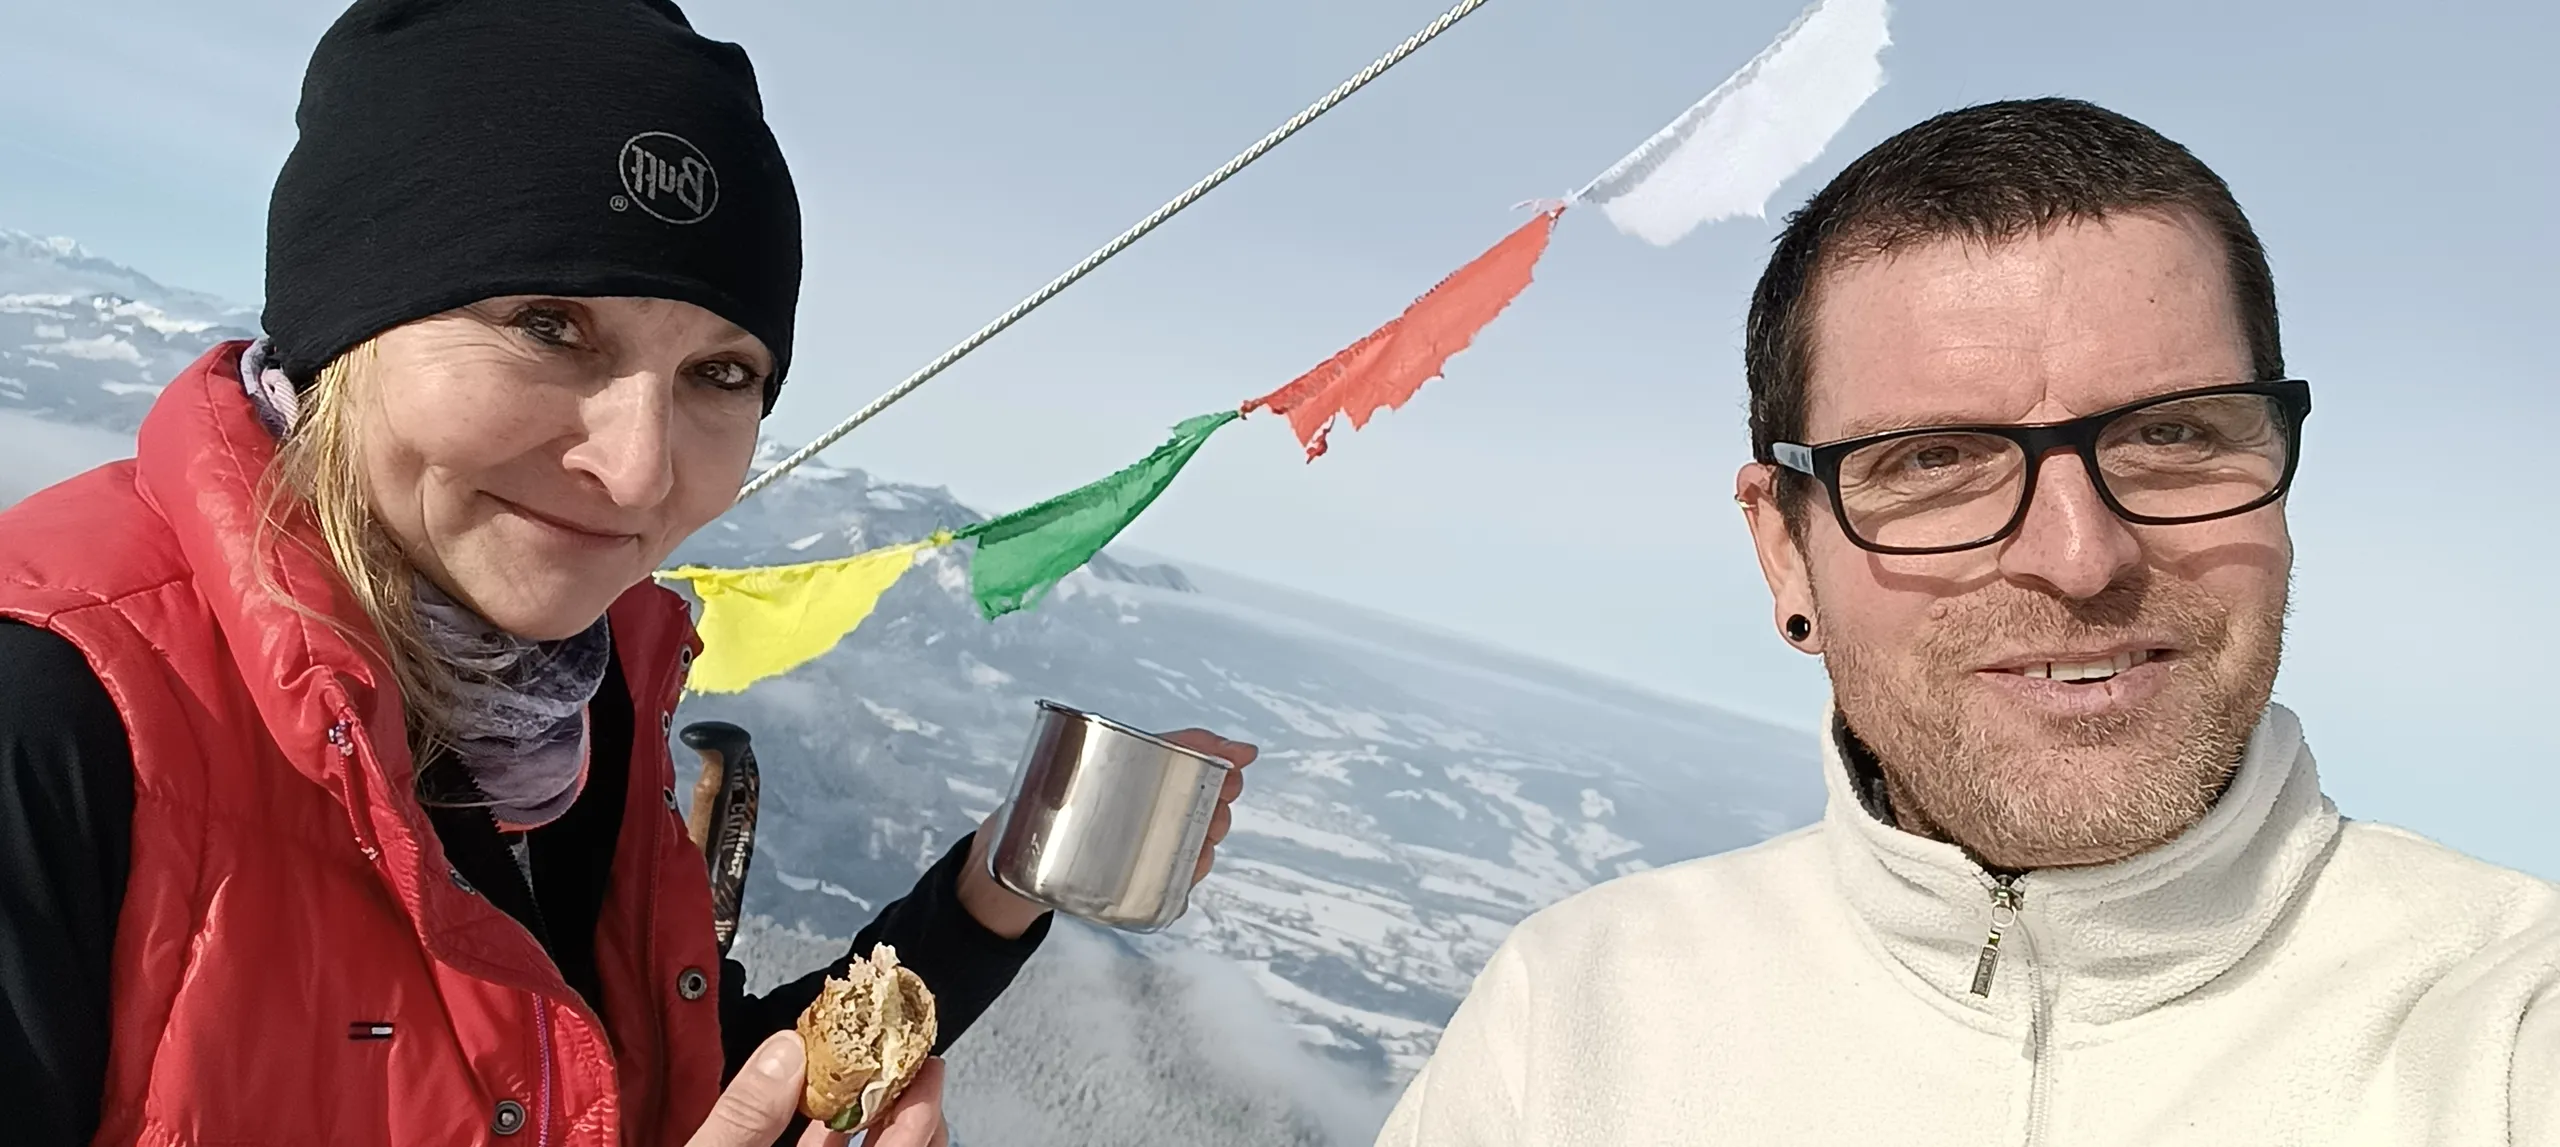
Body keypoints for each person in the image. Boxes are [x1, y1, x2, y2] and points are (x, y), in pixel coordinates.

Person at [0, 2, 1257, 1145]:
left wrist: (992, 891)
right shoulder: (51, 715)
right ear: (346, 325)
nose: (641, 469)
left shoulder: (567, 699)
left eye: (720, 373)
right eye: (549, 325)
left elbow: (638, 1087)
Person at [1374, 98, 2559, 1145]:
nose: (2078, 558)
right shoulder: (1572, 1018)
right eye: (1934, 460)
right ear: (1784, 548)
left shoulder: (2511, 1029)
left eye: (2172, 434)